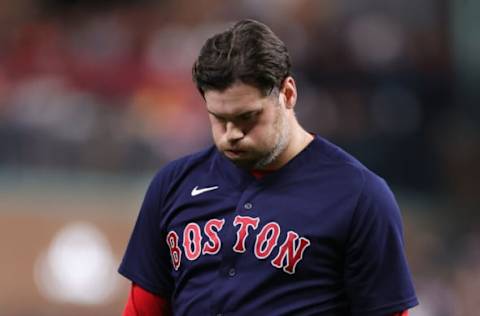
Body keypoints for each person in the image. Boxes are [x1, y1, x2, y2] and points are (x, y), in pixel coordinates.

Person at [118, 19, 418, 316]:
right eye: (218, 118)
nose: (231, 133)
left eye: (247, 117)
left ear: (287, 94)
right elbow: (143, 309)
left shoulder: (360, 195)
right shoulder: (174, 184)